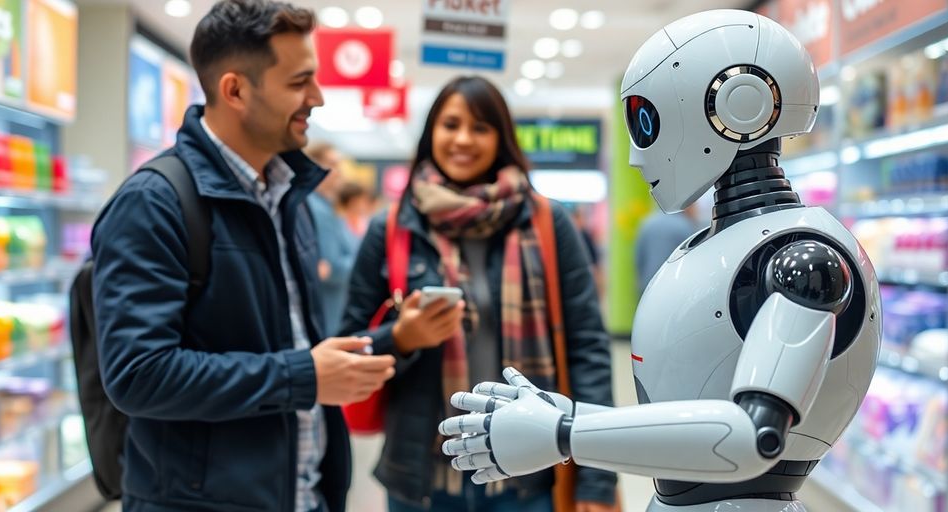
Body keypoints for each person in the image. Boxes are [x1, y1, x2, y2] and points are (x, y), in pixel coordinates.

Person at [90, 2, 395, 511]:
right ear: (235, 90)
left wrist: (396, 338)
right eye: (299, 82)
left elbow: (288, 342)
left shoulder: (287, 197)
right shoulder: (154, 202)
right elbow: (137, 374)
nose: (316, 98)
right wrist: (303, 376)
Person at [339, 76, 618, 512]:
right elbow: (349, 344)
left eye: (481, 128)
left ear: (500, 137)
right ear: (432, 132)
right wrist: (402, 337)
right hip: (424, 477)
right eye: (451, 125)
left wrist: (597, 479)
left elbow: (587, 347)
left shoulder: (545, 222)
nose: (463, 139)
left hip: (529, 471)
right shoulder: (393, 227)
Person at [306, 142, 361, 338]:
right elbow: (329, 268)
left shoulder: (325, 207)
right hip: (327, 309)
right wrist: (365, 261)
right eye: (332, 164)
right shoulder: (317, 209)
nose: (338, 172)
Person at [633, 203, 700, 295]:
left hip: (647, 288)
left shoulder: (646, 223)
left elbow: (639, 260)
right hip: (673, 290)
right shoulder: (684, 226)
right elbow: (692, 263)